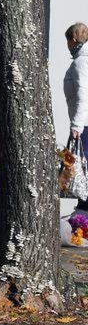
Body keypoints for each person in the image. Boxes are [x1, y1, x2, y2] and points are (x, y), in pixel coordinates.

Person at [65, 23, 88, 211]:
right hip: (83, 124)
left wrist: (76, 125)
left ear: (73, 40)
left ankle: (83, 213)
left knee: (80, 171)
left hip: (83, 126)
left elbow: (83, 94)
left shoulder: (81, 62)